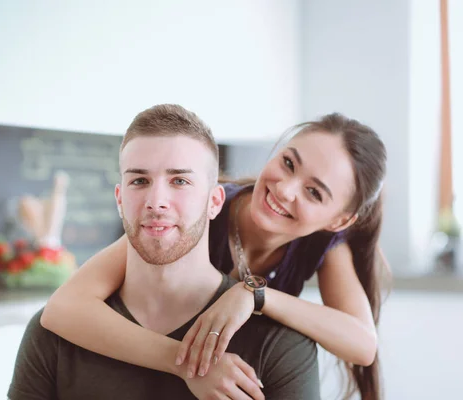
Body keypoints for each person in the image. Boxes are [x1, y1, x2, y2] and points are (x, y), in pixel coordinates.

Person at [41, 109, 390, 399]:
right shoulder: (196, 215)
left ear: (339, 220)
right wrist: (185, 364)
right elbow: (63, 309)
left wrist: (255, 297)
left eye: (314, 192)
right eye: (287, 162)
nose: (285, 189)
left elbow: (362, 344)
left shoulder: (322, 246)